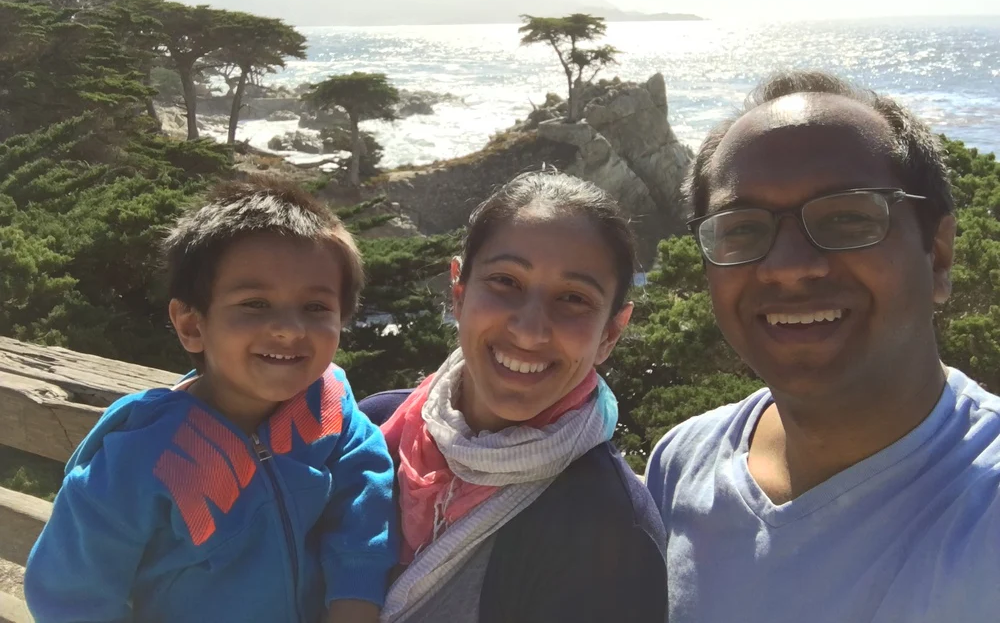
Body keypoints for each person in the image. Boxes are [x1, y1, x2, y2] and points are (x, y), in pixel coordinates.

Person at [646, 71, 1000, 622]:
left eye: (847, 217)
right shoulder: (681, 463)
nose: (788, 267)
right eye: (741, 229)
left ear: (939, 256)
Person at [25, 178, 397, 623]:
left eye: (316, 308)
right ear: (191, 325)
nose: (289, 329)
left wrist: (354, 604)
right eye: (255, 304)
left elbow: (364, 501)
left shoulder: (328, 404)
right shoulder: (140, 454)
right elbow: (71, 595)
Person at [360, 171, 668, 623]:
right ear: (458, 292)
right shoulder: (372, 431)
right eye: (506, 281)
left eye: (573, 298)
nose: (529, 330)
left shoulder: (612, 530)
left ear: (611, 333)